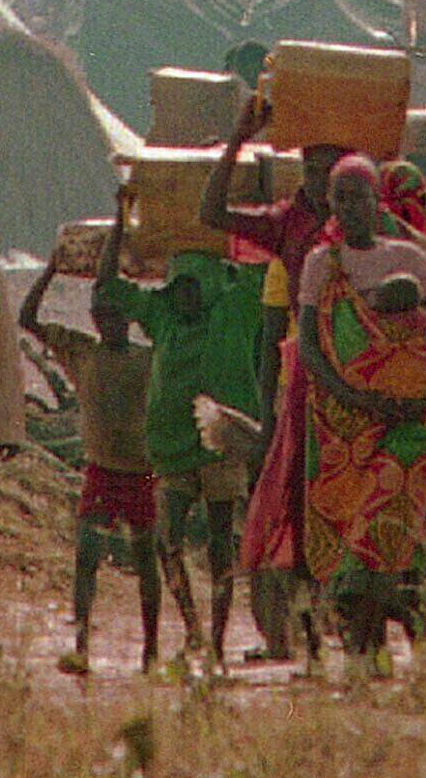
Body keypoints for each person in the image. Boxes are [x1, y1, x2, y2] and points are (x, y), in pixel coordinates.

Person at [194, 89, 339, 661]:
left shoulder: (375, 224)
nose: (323, 180)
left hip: (363, 381)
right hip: (305, 383)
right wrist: (238, 138)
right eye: (313, 168)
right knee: (299, 505)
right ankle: (302, 638)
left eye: (333, 170)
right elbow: (210, 215)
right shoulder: (291, 222)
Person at [94, 199, 265, 663]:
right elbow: (107, 284)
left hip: (221, 450)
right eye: (177, 286)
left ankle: (218, 639)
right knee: (167, 542)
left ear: (208, 283)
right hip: (169, 451)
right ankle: (192, 628)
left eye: (191, 285)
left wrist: (249, 198)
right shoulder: (162, 315)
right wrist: (119, 217)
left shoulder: (234, 311)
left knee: (219, 548)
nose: (183, 294)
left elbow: (261, 263)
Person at [294, 155, 426, 665]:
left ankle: (367, 647)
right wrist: (355, 397)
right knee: (351, 533)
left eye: (359, 194)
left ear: (376, 200)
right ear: (330, 204)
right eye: (340, 197)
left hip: (409, 424)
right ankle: (367, 650)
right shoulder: (321, 265)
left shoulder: (410, 258)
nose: (350, 205)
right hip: (343, 425)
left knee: (391, 523)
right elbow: (311, 348)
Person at [24, 215, 161, 675]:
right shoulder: (83, 352)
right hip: (102, 469)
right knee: (86, 557)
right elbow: (28, 319)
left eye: (117, 313)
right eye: (101, 313)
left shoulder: (149, 358)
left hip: (141, 470)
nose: (110, 321)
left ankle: (152, 648)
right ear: (94, 318)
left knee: (146, 563)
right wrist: (49, 271)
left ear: (129, 316)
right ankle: (80, 644)